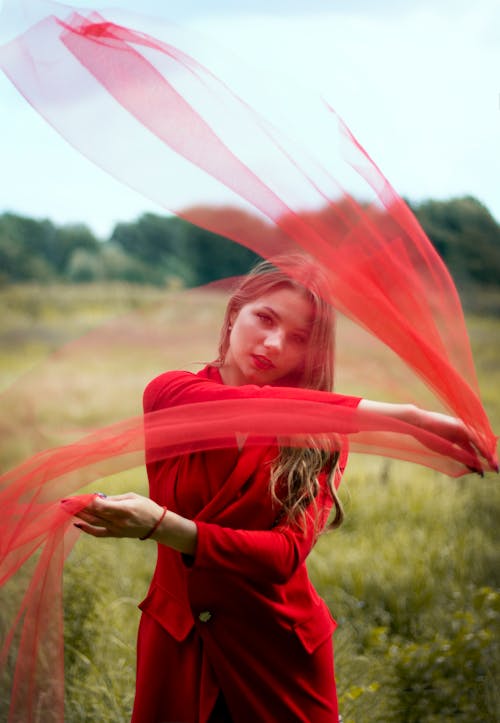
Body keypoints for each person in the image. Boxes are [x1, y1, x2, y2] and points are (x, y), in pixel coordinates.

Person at [73, 256, 484, 723]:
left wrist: (164, 527)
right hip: (179, 643)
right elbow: (247, 407)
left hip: (279, 652)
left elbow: (284, 555)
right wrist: (407, 417)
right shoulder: (171, 394)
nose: (273, 344)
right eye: (264, 318)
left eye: (298, 338)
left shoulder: (319, 437)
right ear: (233, 315)